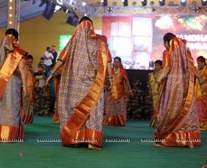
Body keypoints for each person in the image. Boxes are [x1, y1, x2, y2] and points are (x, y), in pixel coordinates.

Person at [46, 16, 112, 150]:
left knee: (76, 109)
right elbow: (108, 61)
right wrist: (110, 79)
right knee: (93, 110)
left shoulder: (74, 40)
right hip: (95, 83)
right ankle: (91, 141)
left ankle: (76, 138)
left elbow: (61, 59)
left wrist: (51, 73)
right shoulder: (100, 40)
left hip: (75, 83)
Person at [154, 32, 201, 148]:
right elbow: (193, 69)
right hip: (186, 84)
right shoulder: (185, 52)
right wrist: (200, 80)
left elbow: (167, 68)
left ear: (166, 43)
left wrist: (157, 81)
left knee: (170, 111)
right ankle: (188, 139)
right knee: (186, 110)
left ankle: (170, 138)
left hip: (173, 85)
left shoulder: (167, 52)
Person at [103, 56, 132, 126]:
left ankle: (120, 122)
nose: (115, 63)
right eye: (114, 62)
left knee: (120, 108)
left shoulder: (122, 72)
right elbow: (106, 81)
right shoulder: (110, 72)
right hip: (110, 93)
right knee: (110, 108)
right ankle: (110, 121)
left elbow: (126, 83)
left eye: (117, 62)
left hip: (120, 93)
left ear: (120, 63)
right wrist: (106, 86)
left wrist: (127, 93)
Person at [195, 56, 207, 130]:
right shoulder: (198, 70)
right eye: (197, 63)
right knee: (199, 109)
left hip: (206, 93)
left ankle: (205, 125)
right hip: (198, 93)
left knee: (205, 109)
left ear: (203, 63)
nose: (198, 65)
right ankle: (200, 124)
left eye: (199, 63)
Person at [21, 54, 36, 124]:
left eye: (31, 62)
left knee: (30, 102)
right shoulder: (23, 68)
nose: (30, 63)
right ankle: (23, 119)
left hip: (31, 88)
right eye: (29, 62)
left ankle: (28, 119)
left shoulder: (31, 68)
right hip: (26, 87)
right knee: (25, 103)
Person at [148, 60, 162, 127]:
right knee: (155, 107)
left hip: (161, 94)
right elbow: (149, 84)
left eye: (158, 65)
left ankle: (160, 122)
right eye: (155, 65)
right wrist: (150, 91)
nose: (156, 67)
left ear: (161, 66)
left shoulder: (163, 75)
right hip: (154, 94)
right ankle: (154, 122)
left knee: (161, 107)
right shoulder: (151, 75)